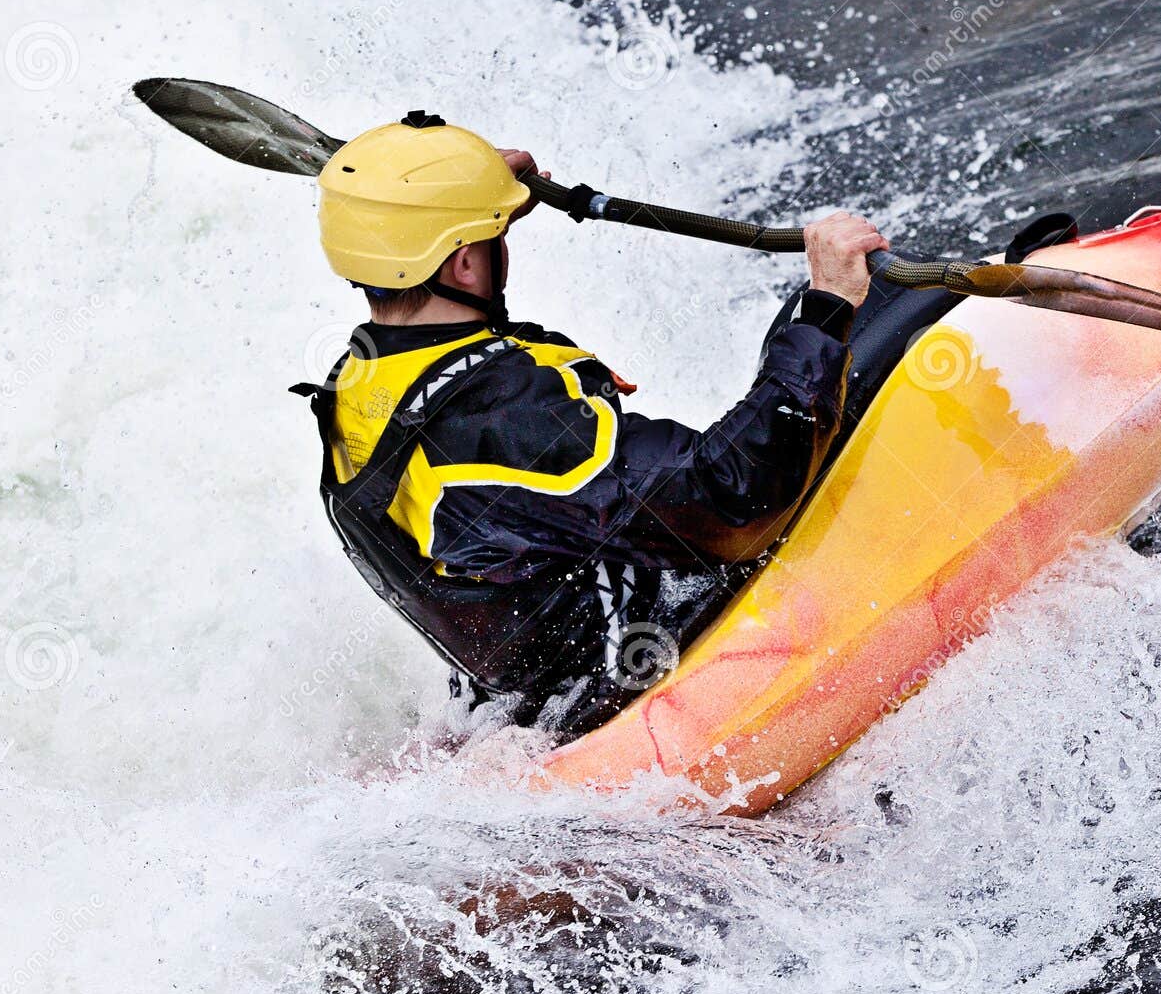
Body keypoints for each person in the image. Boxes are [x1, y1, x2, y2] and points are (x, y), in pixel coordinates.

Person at [295, 110, 889, 735]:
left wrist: (468, 194)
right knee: (836, 328)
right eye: (495, 237)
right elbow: (732, 500)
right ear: (466, 265)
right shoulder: (512, 415)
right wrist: (828, 308)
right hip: (633, 679)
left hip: (525, 694)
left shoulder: (356, 381)